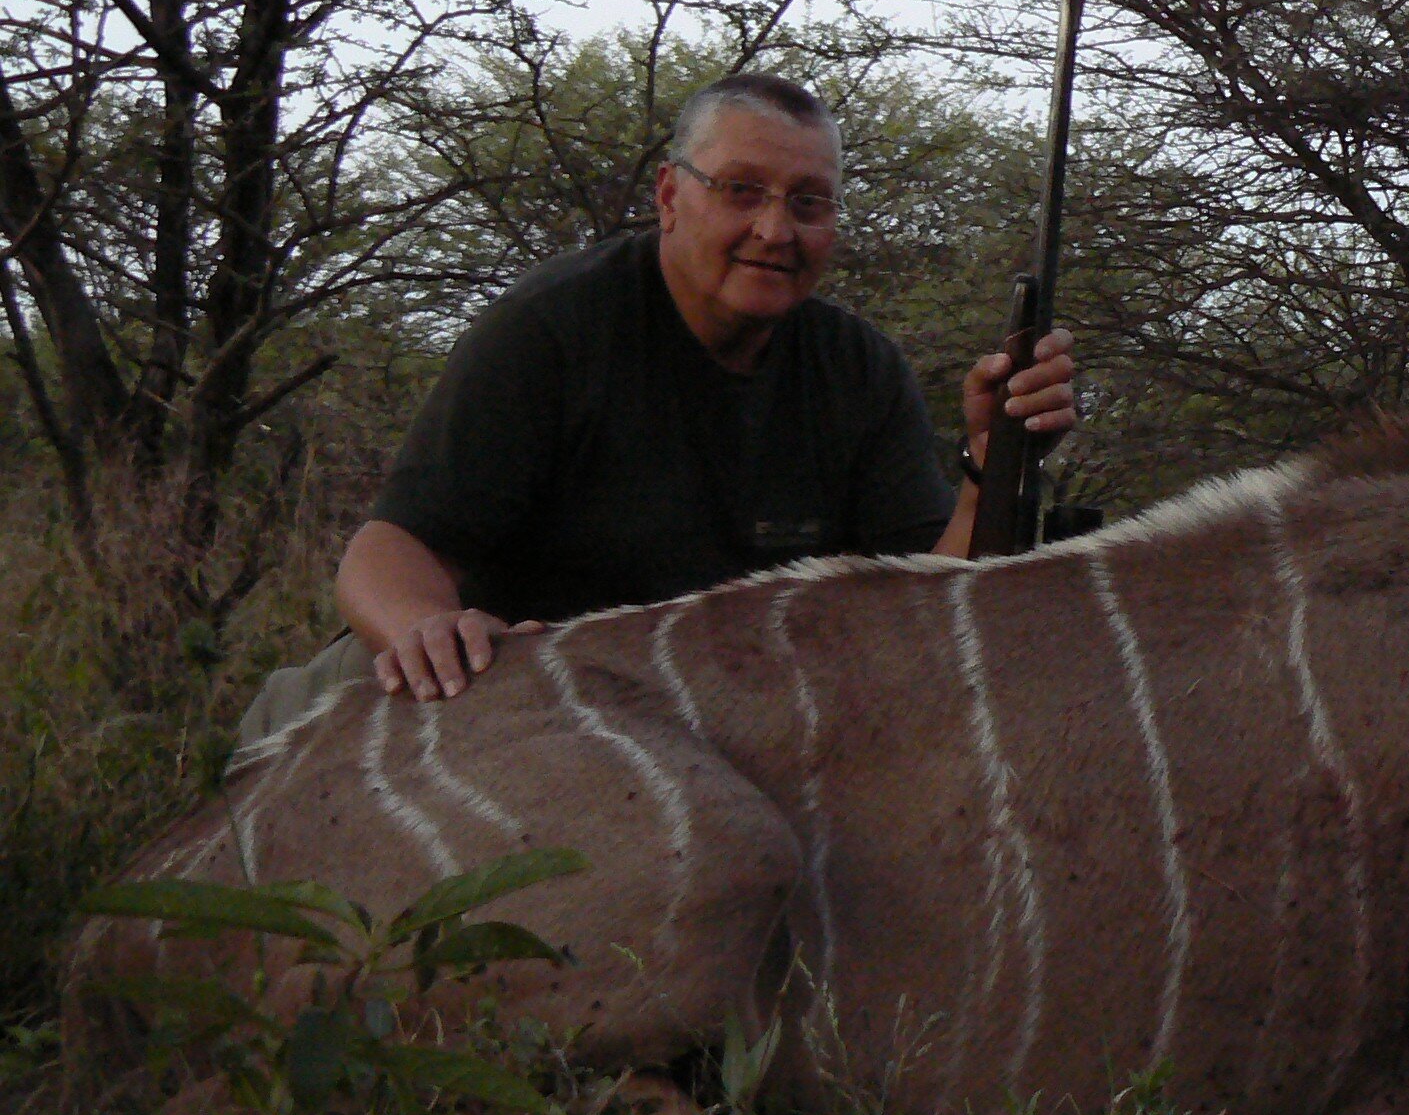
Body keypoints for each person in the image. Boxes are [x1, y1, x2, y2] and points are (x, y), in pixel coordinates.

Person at [236, 72, 1076, 742]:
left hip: (703, 709)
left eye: (808, 202)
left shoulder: (859, 366)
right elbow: (388, 546)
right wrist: (427, 628)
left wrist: (987, 464)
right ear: (671, 196)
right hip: (519, 688)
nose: (776, 230)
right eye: (742, 191)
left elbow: (920, 605)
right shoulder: (553, 324)